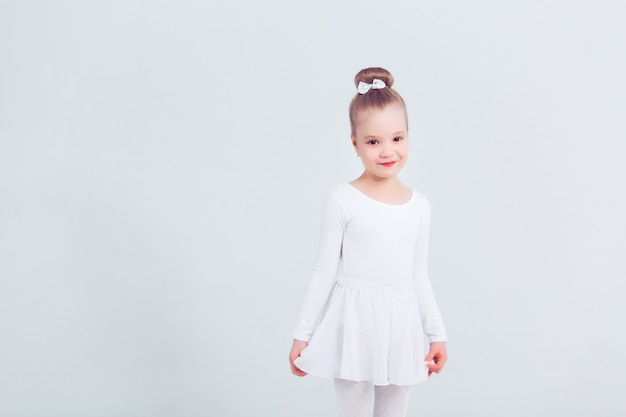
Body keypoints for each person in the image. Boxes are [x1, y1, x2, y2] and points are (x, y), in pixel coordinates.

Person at [288, 67, 448, 417]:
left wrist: (437, 333)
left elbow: (419, 275)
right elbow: (324, 270)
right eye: (374, 141)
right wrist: (303, 334)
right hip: (354, 320)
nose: (387, 151)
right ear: (355, 143)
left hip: (401, 321)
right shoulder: (342, 199)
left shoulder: (420, 206)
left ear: (408, 138)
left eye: (397, 138)